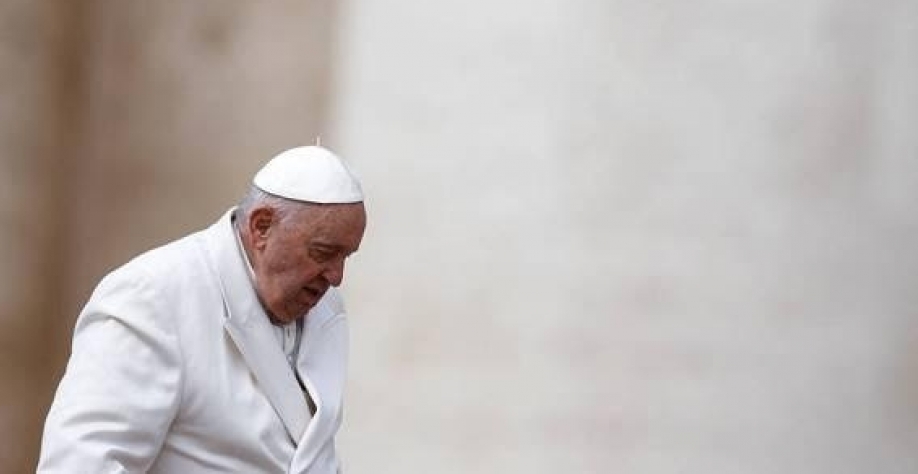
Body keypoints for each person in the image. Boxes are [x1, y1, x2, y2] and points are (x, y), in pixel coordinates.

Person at [37, 146, 367, 473]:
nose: (336, 277)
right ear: (262, 227)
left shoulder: (323, 305)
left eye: (346, 256)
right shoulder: (153, 296)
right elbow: (80, 464)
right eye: (323, 252)